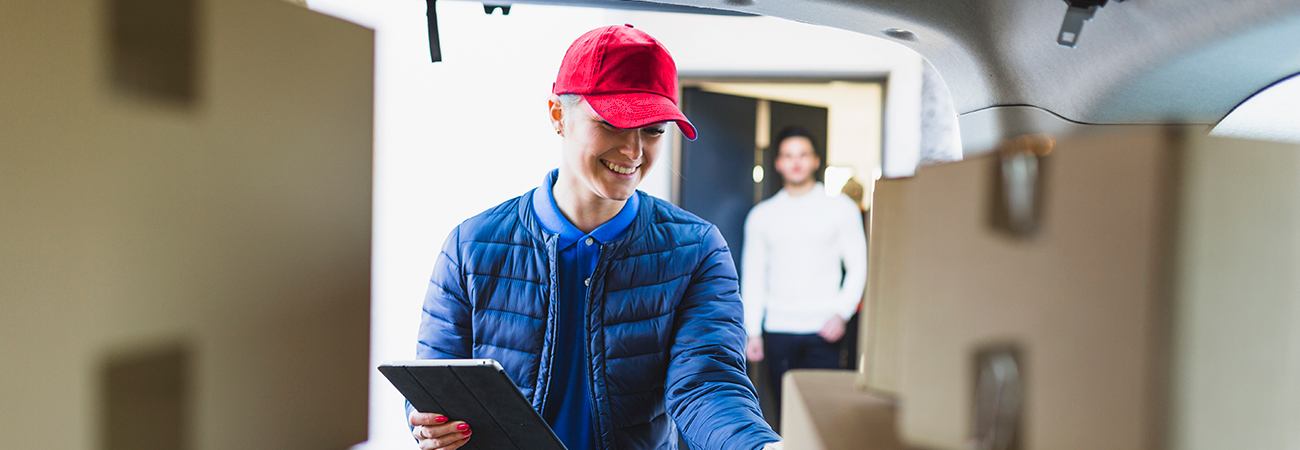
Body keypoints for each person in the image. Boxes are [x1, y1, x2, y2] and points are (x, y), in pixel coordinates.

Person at [408, 25, 781, 450]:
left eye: (654, 129)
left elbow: (708, 385)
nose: (634, 151)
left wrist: (759, 447)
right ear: (557, 115)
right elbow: (435, 383)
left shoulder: (696, 251)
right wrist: (428, 424)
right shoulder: (471, 246)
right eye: (612, 123)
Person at [740, 127, 868, 416]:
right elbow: (754, 275)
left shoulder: (841, 208)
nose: (795, 162)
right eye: (787, 155)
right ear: (778, 163)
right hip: (778, 330)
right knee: (786, 413)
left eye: (802, 155)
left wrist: (842, 313)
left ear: (815, 160)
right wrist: (753, 332)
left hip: (825, 329)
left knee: (825, 414)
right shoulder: (762, 216)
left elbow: (858, 264)